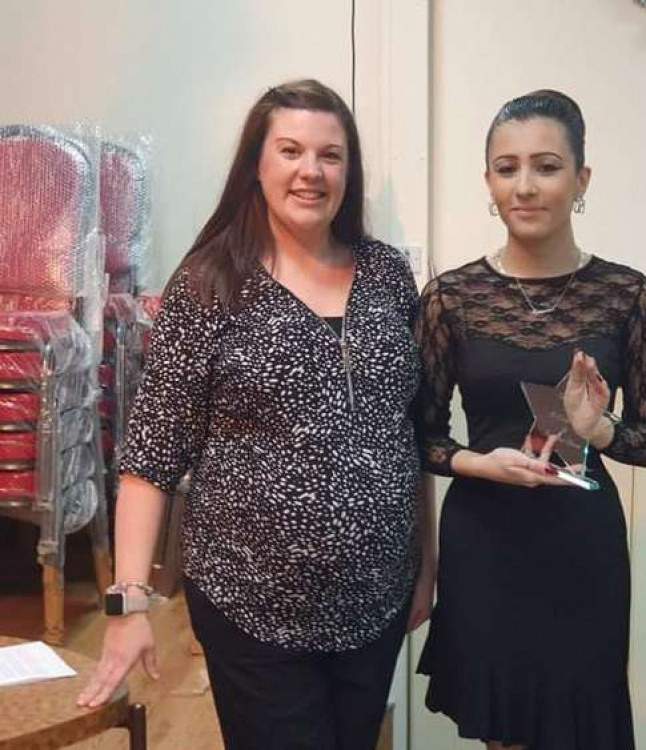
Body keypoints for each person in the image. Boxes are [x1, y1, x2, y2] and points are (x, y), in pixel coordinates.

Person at [76, 79, 436, 750]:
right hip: (251, 604)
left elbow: (408, 431)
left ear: (348, 170)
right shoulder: (210, 283)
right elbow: (151, 458)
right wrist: (127, 603)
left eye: (330, 154)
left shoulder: (388, 275)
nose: (311, 171)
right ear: (258, 165)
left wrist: (426, 564)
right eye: (291, 150)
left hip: (376, 597)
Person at [415, 89, 646, 750]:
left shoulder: (625, 295)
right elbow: (420, 434)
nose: (523, 186)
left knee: (576, 725)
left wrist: (598, 428)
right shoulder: (450, 298)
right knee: (503, 728)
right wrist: (479, 463)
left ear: (581, 179)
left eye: (546, 166)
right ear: (489, 182)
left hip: (578, 546)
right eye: (506, 168)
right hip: (485, 543)